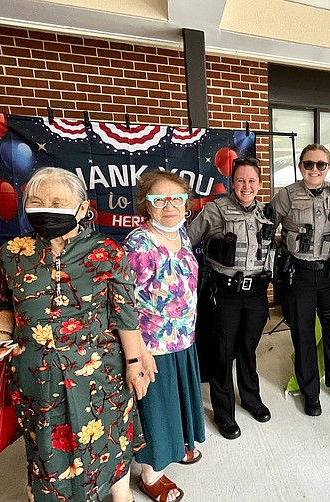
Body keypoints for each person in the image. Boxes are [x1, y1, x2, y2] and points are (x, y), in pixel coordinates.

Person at [0, 167, 154, 502]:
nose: (45, 207)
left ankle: (123, 496)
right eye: (36, 201)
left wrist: (135, 362)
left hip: (98, 369)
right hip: (36, 373)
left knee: (108, 437)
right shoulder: (12, 253)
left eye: (57, 201)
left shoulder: (105, 250)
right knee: (47, 447)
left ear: (80, 208)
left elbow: (124, 312)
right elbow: (5, 303)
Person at [123, 171, 206, 502]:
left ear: (186, 203)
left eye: (177, 198)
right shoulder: (139, 243)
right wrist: (137, 351)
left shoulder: (181, 234)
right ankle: (151, 473)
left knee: (177, 403)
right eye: (160, 199)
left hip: (183, 339)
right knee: (156, 411)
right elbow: (123, 302)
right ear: (147, 205)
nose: (169, 205)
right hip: (151, 346)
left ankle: (178, 443)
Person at [187, 157, 275, 440]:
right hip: (225, 293)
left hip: (258, 294)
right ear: (232, 183)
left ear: (259, 184)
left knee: (248, 349)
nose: (246, 186)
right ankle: (224, 413)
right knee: (222, 354)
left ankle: (251, 398)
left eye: (251, 181)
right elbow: (187, 240)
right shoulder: (215, 209)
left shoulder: (267, 212)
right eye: (240, 180)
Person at [271, 143, 330, 416]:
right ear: (300, 166)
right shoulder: (286, 195)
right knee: (303, 334)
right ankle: (310, 392)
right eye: (309, 164)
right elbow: (265, 227)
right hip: (300, 275)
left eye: (320, 164)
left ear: (327, 167)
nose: (314, 169)